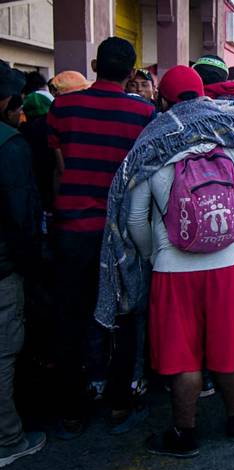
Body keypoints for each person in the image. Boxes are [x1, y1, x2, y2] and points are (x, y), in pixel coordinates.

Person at [96, 65, 234, 458]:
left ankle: (184, 435)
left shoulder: (153, 145)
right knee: (230, 349)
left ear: (162, 99)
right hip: (229, 267)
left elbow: (133, 218)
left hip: (172, 271)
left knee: (183, 356)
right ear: (203, 94)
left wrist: (152, 256)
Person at [46, 37, 156, 438]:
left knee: (70, 318)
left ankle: (72, 409)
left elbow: (58, 168)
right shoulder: (143, 113)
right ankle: (119, 402)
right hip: (120, 232)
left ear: (94, 64)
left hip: (72, 228)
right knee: (123, 316)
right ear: (131, 72)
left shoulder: (62, 107)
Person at [0, 60, 46, 469]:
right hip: (3, 267)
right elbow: (20, 214)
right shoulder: (9, 145)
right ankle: (8, 438)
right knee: (3, 353)